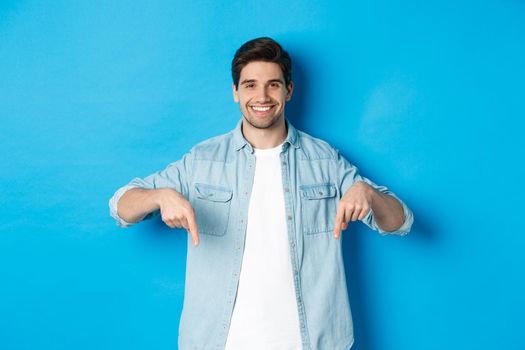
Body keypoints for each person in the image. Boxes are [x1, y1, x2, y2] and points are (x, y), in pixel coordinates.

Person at [109, 37, 413, 350]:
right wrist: (159, 197)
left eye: (273, 84)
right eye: (250, 85)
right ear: (235, 92)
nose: (262, 96)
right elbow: (121, 206)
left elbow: (401, 222)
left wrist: (369, 194)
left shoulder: (325, 161)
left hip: (312, 341)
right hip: (219, 342)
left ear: (289, 90)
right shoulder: (203, 160)